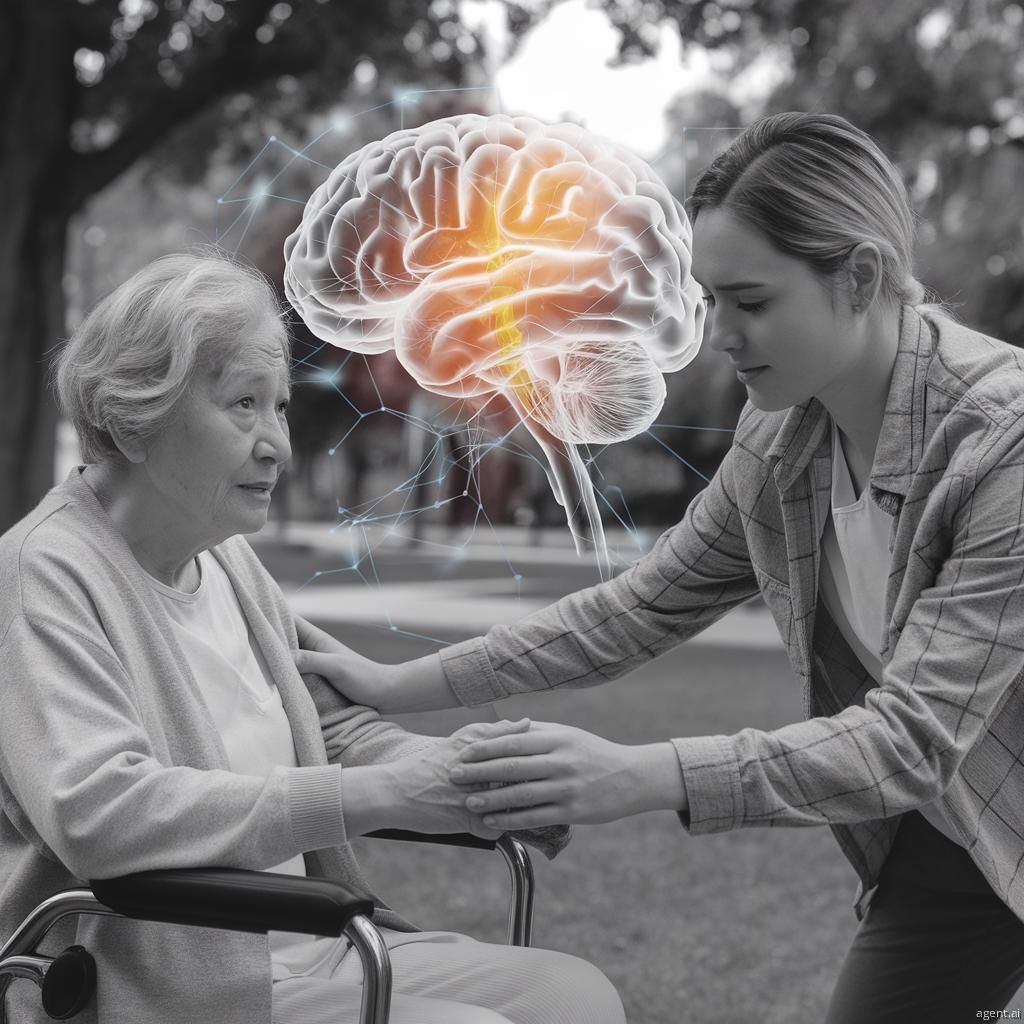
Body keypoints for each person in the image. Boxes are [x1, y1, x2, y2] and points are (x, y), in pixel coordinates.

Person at [298, 111, 1024, 1022]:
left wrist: (640, 775)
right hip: (955, 840)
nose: (718, 333)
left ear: (864, 277)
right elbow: (637, 609)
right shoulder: (782, 433)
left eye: (750, 302)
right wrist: (394, 684)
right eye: (710, 298)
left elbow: (908, 738)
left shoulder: (1002, 444)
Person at [0, 251, 627, 1024]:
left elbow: (330, 722)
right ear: (137, 419)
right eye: (242, 405)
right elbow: (102, 813)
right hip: (175, 983)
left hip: (314, 940)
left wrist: (465, 776)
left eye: (281, 407)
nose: (278, 446)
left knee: (578, 999)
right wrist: (383, 793)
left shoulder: (226, 560)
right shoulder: (44, 573)